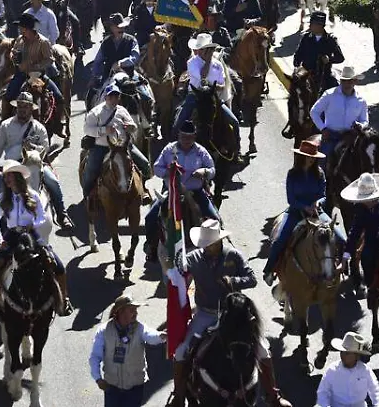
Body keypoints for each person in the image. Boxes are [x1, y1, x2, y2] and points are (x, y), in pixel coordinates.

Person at [168, 220, 256, 407]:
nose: (207, 247)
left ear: (219, 241)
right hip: (205, 313)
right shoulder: (194, 258)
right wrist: (172, 260)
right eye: (205, 244)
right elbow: (178, 268)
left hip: (232, 314)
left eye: (211, 243)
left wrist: (234, 281)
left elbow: (252, 279)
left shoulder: (234, 255)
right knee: (182, 351)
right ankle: (179, 395)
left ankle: (273, 394)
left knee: (262, 349)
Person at [0, 161, 71, 315]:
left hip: (31, 235)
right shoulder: (3, 198)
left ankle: (63, 300)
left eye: (10, 175)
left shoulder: (33, 195)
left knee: (57, 265)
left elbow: (41, 217)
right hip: (12, 235)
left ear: (18, 177)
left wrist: (33, 224)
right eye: (5, 176)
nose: (7, 179)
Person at [262, 137, 345, 285]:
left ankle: (341, 266)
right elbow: (291, 199)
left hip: (316, 212)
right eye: (307, 157)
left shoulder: (319, 173)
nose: (310, 160)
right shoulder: (292, 174)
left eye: (312, 158)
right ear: (301, 157)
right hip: (295, 211)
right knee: (279, 239)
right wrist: (304, 207)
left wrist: (317, 203)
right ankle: (269, 270)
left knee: (340, 238)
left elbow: (323, 195)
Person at [0, 93, 72, 227]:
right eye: (20, 106)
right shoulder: (6, 125)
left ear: (31, 108)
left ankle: (62, 214)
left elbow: (45, 148)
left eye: (26, 106)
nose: (22, 109)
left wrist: (32, 147)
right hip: (12, 165)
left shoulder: (39, 128)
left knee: (53, 182)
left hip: (33, 162)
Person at [145, 121, 218, 260]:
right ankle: (152, 247)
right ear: (179, 135)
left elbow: (212, 169)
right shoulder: (168, 149)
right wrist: (168, 171)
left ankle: (215, 252)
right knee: (151, 217)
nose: (186, 140)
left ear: (194, 137)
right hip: (172, 192)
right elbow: (156, 168)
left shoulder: (200, 151)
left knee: (214, 218)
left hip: (195, 192)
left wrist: (204, 172)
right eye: (183, 137)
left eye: (189, 137)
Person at [88, 295, 166, 407]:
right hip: (112, 387)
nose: (136, 313)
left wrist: (161, 336)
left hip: (135, 387)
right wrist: (98, 378)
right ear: (120, 312)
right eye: (132, 310)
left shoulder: (140, 328)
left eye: (136, 310)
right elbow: (95, 356)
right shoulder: (104, 331)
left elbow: (151, 336)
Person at [82, 84, 151, 200]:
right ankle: (88, 195)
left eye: (116, 96)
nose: (113, 99)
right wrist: (104, 130)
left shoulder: (122, 110)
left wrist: (130, 127)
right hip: (102, 147)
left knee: (144, 164)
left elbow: (133, 126)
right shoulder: (95, 113)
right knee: (91, 171)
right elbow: (87, 129)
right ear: (106, 97)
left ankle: (143, 189)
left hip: (124, 146)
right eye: (111, 96)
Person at [174, 34, 241, 148]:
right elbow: (203, 77)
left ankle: (236, 151)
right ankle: (175, 149)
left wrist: (214, 88)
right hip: (195, 96)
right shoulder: (192, 62)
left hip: (213, 97)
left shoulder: (218, 65)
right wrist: (208, 61)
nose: (203, 52)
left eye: (208, 50)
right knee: (178, 124)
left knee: (234, 122)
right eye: (203, 49)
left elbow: (222, 84)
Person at [5, 14, 63, 106]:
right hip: (21, 74)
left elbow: (49, 59)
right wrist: (13, 56)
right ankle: (4, 118)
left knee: (58, 97)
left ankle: (61, 118)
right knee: (8, 97)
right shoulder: (19, 39)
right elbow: (13, 51)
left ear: (29, 29)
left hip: (38, 76)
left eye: (22, 29)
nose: (20, 31)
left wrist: (37, 66)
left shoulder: (43, 42)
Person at [317, 332, 379, 407]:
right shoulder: (332, 370)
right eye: (342, 352)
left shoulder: (365, 370)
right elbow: (323, 392)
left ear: (356, 356)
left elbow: (376, 391)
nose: (342, 355)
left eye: (347, 353)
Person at [88, 13, 140, 105]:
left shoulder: (131, 40)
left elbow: (135, 57)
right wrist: (94, 76)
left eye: (122, 26)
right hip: (109, 76)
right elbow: (98, 61)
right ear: (112, 28)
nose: (120, 29)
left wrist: (122, 62)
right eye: (117, 27)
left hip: (128, 76)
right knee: (92, 96)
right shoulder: (106, 42)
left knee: (144, 96)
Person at [293, 10, 345, 94]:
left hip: (324, 75)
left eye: (312, 24)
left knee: (336, 93)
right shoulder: (306, 38)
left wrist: (329, 59)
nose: (309, 26)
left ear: (320, 26)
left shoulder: (330, 40)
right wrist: (297, 66)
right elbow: (298, 54)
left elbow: (340, 58)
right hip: (307, 74)